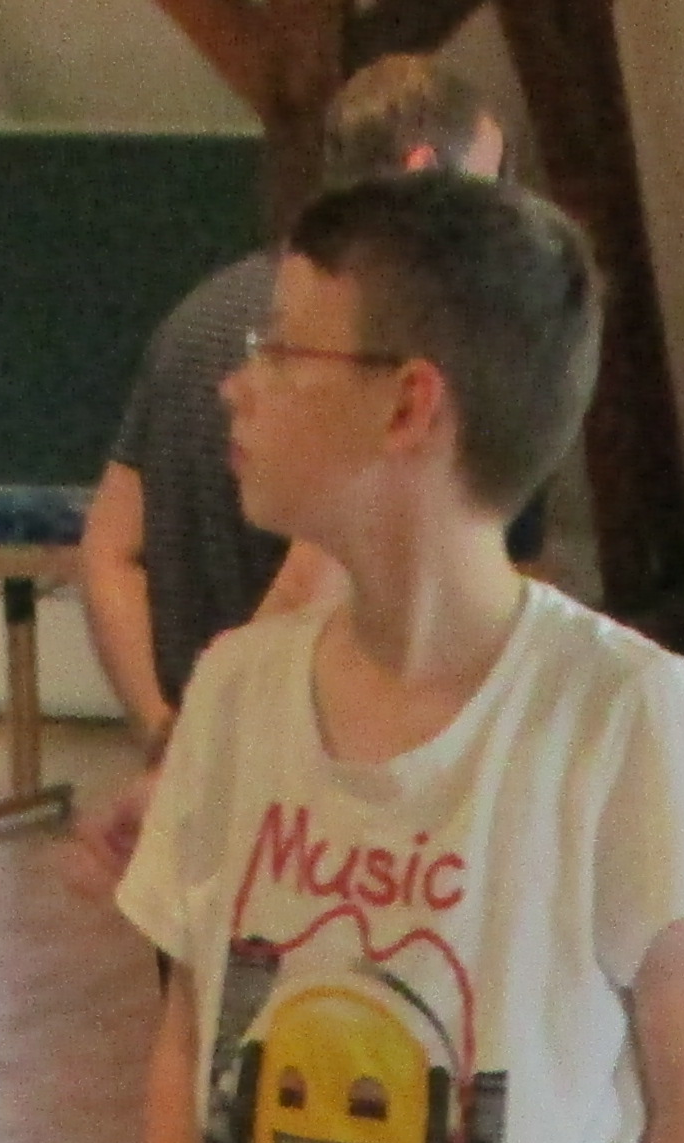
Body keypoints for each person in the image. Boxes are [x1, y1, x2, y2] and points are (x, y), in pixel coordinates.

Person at [118, 172, 684, 1143]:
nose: (236, 385)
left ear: (410, 405)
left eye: (281, 349)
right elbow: (182, 1038)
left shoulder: (614, 709)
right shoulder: (235, 693)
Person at [82, 58, 503, 824]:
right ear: (423, 171)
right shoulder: (385, 352)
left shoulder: (192, 320)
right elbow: (315, 575)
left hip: (199, 773)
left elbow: (108, 550)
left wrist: (162, 729)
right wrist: (206, 744)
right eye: (487, 183)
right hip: (309, 787)